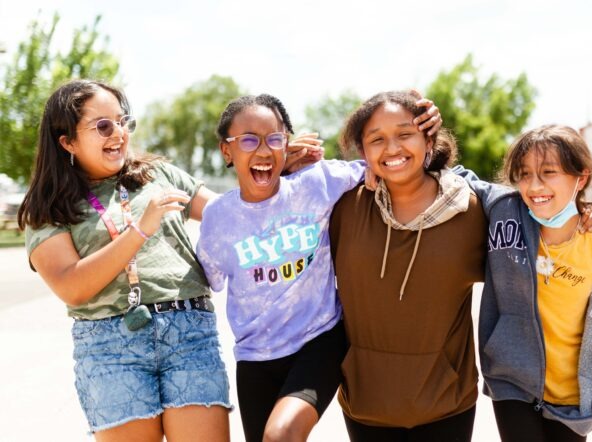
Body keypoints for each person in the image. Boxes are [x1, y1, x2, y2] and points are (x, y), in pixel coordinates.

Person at [196, 93, 441, 442]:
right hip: (255, 355)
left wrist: (418, 128)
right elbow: (209, 278)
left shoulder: (317, 183)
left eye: (274, 139)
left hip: (319, 339)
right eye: (249, 140)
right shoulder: (218, 219)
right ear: (226, 151)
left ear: (288, 145)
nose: (263, 151)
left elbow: (386, 158)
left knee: (281, 435)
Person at [17, 79, 232, 442]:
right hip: (109, 349)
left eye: (122, 121)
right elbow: (72, 287)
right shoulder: (47, 209)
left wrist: (281, 172)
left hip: (189, 334)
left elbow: (229, 214)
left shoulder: (159, 174)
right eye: (102, 125)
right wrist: (140, 230)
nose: (118, 133)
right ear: (67, 141)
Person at [466, 124, 592, 441]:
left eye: (548, 172)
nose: (534, 185)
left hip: (573, 393)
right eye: (524, 174)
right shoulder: (505, 212)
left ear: (580, 178)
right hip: (512, 380)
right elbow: (458, 178)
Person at [329, 90, 487, 441]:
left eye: (405, 134)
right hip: (365, 401)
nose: (393, 149)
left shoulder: (471, 210)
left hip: (447, 403)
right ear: (363, 152)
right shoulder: (344, 209)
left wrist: (585, 214)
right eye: (377, 140)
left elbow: (536, 232)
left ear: (428, 139)